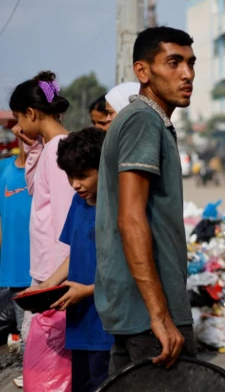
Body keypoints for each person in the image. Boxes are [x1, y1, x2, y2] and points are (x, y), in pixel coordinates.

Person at [95, 26, 197, 372]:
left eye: (190, 63)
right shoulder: (143, 120)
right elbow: (131, 218)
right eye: (173, 63)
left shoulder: (148, 120)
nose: (187, 74)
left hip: (137, 308)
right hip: (149, 314)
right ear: (143, 71)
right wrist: (160, 314)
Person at [26, 128, 114, 392]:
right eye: (69, 176)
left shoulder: (117, 208)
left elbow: (128, 271)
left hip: (107, 326)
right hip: (79, 323)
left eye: (83, 176)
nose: (75, 184)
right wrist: (45, 286)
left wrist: (87, 291)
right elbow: (73, 253)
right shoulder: (78, 202)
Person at [9, 70, 76, 388]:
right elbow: (36, 189)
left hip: (55, 275)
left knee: (52, 362)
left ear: (31, 113)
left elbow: (67, 221)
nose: (18, 126)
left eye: (20, 117)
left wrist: (55, 281)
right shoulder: (50, 148)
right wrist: (31, 146)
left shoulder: (61, 148)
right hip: (49, 272)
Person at [0, 139, 32, 344]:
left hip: (50, 273)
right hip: (16, 273)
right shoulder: (4, 169)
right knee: (25, 334)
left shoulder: (53, 168)